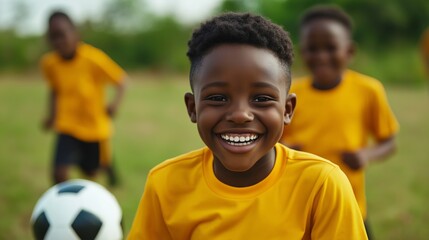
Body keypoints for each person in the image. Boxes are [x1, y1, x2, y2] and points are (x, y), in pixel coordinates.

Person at [128, 12, 367, 239]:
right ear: (192, 108)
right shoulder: (166, 184)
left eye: (261, 99)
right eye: (218, 98)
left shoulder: (322, 184)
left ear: (287, 109)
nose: (240, 115)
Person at [280, 6, 399, 238]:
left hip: (350, 203)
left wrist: (366, 155)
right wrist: (285, 148)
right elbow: (275, 138)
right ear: (301, 52)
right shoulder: (290, 93)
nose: (321, 56)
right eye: (312, 49)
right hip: (300, 204)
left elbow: (389, 142)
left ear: (349, 51)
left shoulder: (368, 90)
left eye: (330, 48)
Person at [41, 11, 127, 186]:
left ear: (75, 33)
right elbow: (54, 90)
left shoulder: (93, 58)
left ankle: (108, 168)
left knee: (91, 171)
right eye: (53, 37)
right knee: (59, 173)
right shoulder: (49, 64)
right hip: (66, 125)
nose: (58, 41)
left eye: (62, 35)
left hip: (92, 126)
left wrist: (114, 105)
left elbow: (122, 81)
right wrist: (52, 116)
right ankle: (63, 205)